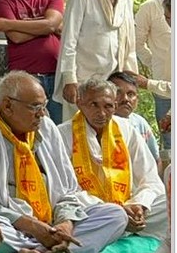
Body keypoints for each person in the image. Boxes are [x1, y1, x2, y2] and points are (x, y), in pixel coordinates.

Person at [0, 71, 128, 253]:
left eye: (43, 106)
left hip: (50, 221)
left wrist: (65, 223)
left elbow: (68, 190)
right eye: (35, 107)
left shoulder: (46, 126)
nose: (42, 114)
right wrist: (33, 226)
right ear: (8, 106)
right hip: (11, 225)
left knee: (115, 215)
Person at [57, 77, 166, 240]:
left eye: (108, 106)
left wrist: (139, 204)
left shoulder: (126, 129)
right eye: (94, 105)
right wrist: (115, 210)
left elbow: (149, 178)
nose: (101, 113)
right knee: (85, 212)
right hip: (92, 210)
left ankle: (129, 224)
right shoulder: (62, 134)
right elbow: (65, 190)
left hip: (128, 204)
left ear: (115, 106)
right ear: (80, 103)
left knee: (169, 201)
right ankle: (117, 225)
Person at [56, 0, 143, 115]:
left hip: (112, 81)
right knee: (79, 133)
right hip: (82, 79)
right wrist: (69, 79)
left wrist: (129, 79)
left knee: (111, 133)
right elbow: (69, 39)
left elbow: (128, 42)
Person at [0, 0, 66, 122]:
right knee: (30, 128)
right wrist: (47, 26)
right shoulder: (4, 2)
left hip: (56, 75)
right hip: (25, 76)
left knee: (59, 128)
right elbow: (16, 37)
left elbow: (51, 24)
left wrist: (9, 23)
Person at [135, 0, 171, 148]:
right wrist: (154, 63)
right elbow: (137, 42)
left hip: (160, 84)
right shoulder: (150, 7)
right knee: (169, 141)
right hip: (162, 86)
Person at [108, 70, 161, 163]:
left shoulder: (140, 123)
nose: (125, 99)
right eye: (118, 93)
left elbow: (156, 160)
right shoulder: (100, 123)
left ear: (137, 99)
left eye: (130, 94)